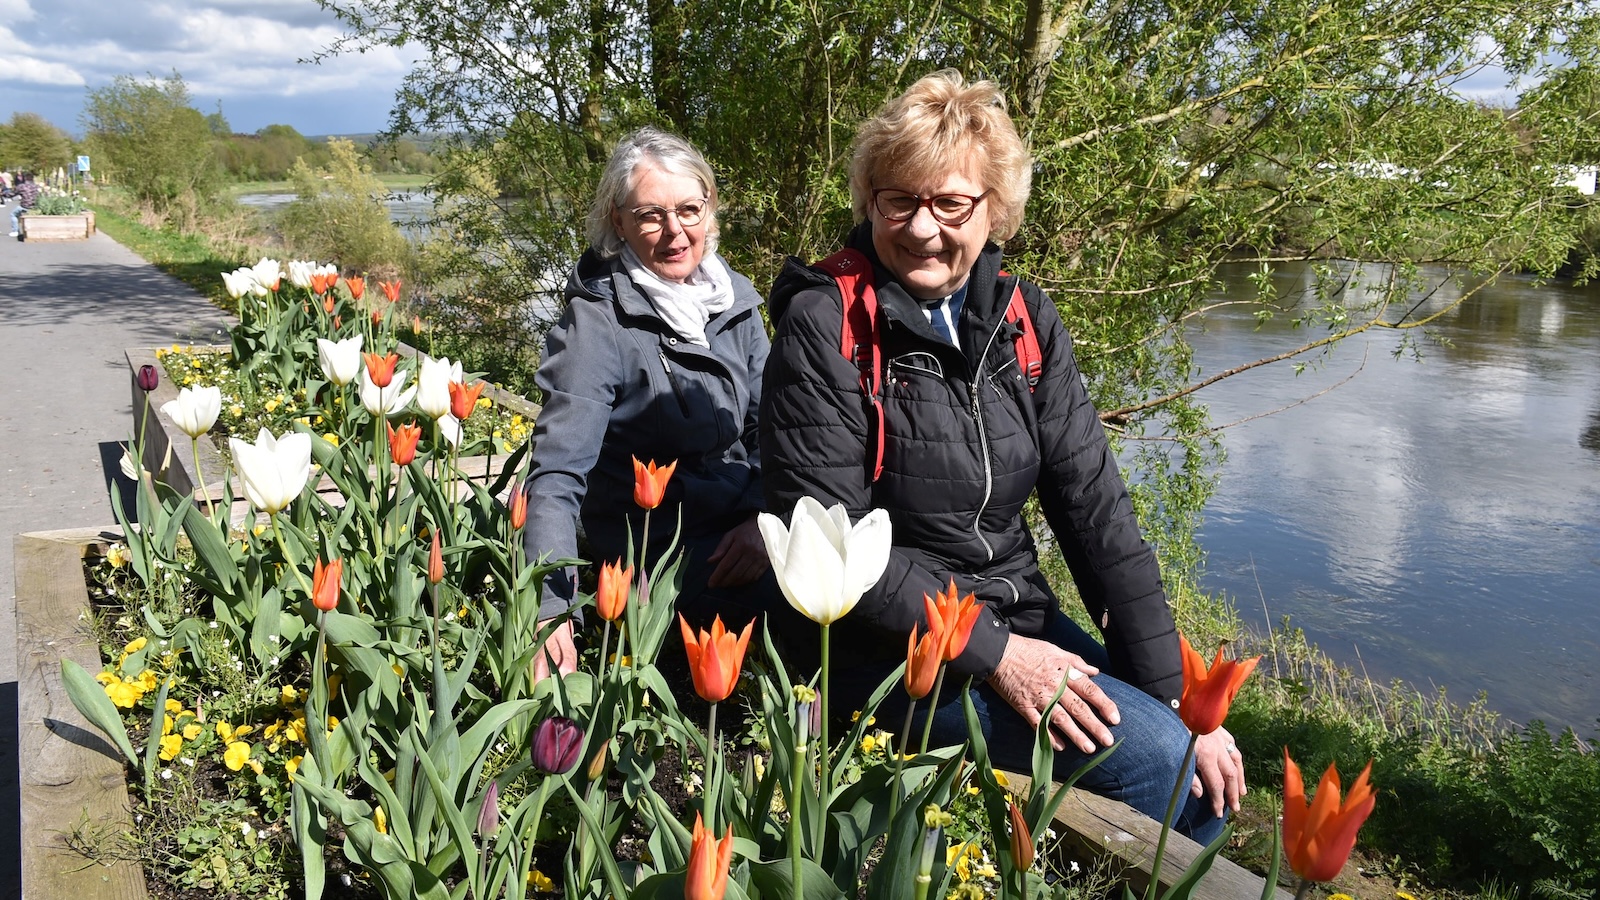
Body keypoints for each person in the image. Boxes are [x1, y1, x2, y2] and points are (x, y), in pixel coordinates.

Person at [759, 71, 1242, 842]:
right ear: (870, 203)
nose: (922, 229)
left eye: (950, 203)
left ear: (994, 210)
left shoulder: (1021, 318)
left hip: (1015, 614)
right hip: (887, 646)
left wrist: (1187, 703)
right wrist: (998, 653)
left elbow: (1097, 513)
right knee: (1168, 770)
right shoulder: (827, 326)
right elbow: (829, 534)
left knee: (1194, 756)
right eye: (899, 201)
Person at [522, 127, 784, 683]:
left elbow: (777, 431)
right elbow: (556, 474)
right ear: (618, 221)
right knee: (815, 621)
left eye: (689, 209)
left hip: (746, 526)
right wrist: (550, 610)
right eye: (650, 215)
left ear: (709, 209)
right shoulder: (597, 324)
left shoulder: (734, 299)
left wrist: (767, 515)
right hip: (664, 550)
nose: (674, 232)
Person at [10, 172, 39, 238]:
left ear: (25, 178)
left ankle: (15, 231)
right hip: (35, 207)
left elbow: (12, 194)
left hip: (24, 206)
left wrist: (3, 194)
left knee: (13, 214)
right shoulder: (36, 186)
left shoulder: (21, 186)